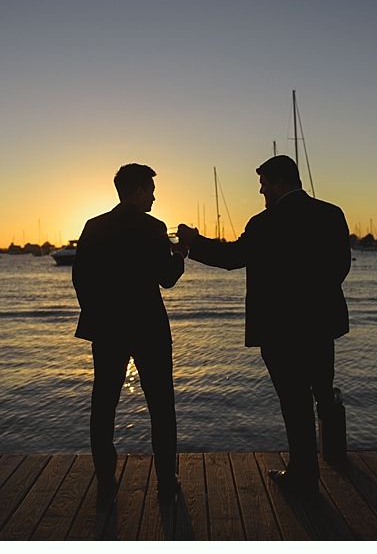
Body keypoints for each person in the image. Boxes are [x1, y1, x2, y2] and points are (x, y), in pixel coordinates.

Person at [177, 155, 350, 494]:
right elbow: (341, 267)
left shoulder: (265, 223)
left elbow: (231, 259)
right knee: (320, 392)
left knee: (294, 402)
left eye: (264, 185)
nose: (262, 191)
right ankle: (325, 463)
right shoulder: (331, 214)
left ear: (279, 182)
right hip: (320, 325)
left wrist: (193, 242)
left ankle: (304, 476)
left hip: (280, 330)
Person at [72, 163, 187, 505]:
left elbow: (80, 278)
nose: (153, 196)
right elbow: (166, 277)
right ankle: (166, 482)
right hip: (148, 328)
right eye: (150, 190)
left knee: (103, 406)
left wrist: (97, 314)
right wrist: (181, 252)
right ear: (137, 191)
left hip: (106, 329)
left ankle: (106, 483)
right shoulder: (153, 227)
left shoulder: (94, 227)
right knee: (161, 406)